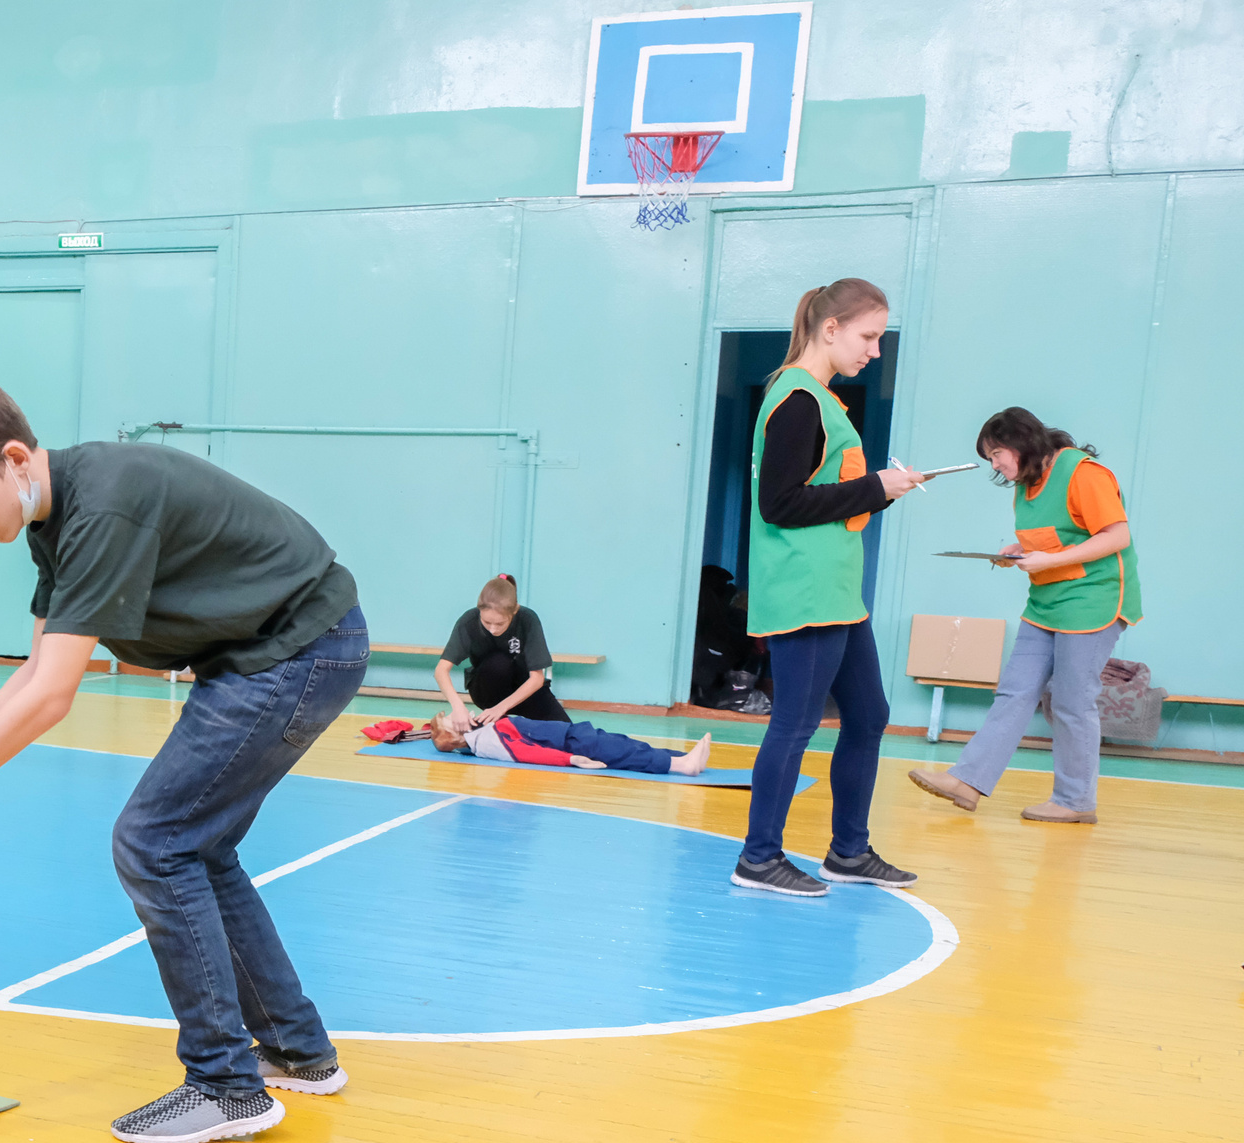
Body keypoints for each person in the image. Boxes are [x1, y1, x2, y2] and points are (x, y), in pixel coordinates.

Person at [0, 373, 367, 1143]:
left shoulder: (106, 501)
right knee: (196, 846)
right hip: (274, 654)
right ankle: (296, 1051)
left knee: (154, 841)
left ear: (16, 459)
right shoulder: (55, 516)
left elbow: (53, 698)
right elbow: (32, 671)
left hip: (296, 650)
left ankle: (225, 1086)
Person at [732, 277, 925, 898]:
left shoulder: (821, 399)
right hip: (806, 593)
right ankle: (759, 858)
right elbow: (780, 504)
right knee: (794, 724)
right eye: (869, 337)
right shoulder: (796, 400)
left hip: (839, 593)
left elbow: (826, 498)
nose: (874, 351)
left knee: (869, 716)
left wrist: (879, 492)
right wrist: (875, 488)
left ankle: (848, 851)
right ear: (831, 328)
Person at [909, 408, 1142, 826]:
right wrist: (1018, 550)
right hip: (1047, 600)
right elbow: (1058, 535)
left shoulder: (1084, 473)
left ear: (1023, 443)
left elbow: (1117, 535)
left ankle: (1075, 801)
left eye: (996, 453)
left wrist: (1051, 558)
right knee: (1014, 692)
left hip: (1093, 601)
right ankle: (968, 781)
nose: (994, 464)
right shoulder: (1027, 482)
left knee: (1072, 702)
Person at [435, 574, 570, 726]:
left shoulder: (528, 620)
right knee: (499, 663)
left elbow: (537, 678)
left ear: (514, 612)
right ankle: (493, 723)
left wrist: (501, 708)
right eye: (486, 622)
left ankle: (502, 719)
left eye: (500, 624)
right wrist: (458, 707)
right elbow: (441, 670)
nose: (492, 629)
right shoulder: (468, 621)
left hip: (524, 690)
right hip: (488, 691)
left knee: (565, 730)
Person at [427, 708, 713, 775]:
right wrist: (571, 759)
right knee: (623, 752)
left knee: (624, 744)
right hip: (570, 745)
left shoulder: (484, 729)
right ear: (456, 735)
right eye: (453, 718)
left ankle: (681, 757)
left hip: (570, 735)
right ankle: (681, 765)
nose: (459, 711)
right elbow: (526, 754)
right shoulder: (485, 742)